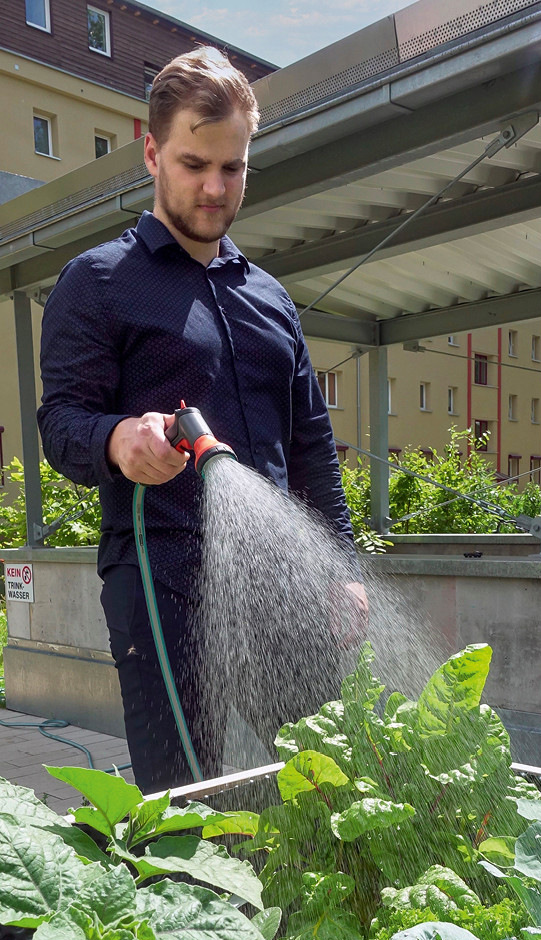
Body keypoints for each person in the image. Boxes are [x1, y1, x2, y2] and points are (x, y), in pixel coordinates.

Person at [37, 45, 368, 792]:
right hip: (163, 587)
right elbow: (61, 424)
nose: (215, 187)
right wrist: (118, 439)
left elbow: (311, 446)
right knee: (185, 802)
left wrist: (342, 570)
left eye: (234, 167)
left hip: (279, 587)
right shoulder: (98, 283)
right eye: (194, 164)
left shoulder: (271, 298)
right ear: (151, 152)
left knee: (327, 787)